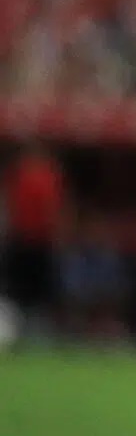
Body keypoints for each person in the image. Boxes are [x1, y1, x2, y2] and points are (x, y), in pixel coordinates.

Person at [2, 145, 66, 339]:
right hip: (23, 240)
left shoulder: (48, 175)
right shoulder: (19, 175)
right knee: (19, 291)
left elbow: (56, 208)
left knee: (38, 292)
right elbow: (10, 206)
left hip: (39, 241)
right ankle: (18, 329)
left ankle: (35, 331)